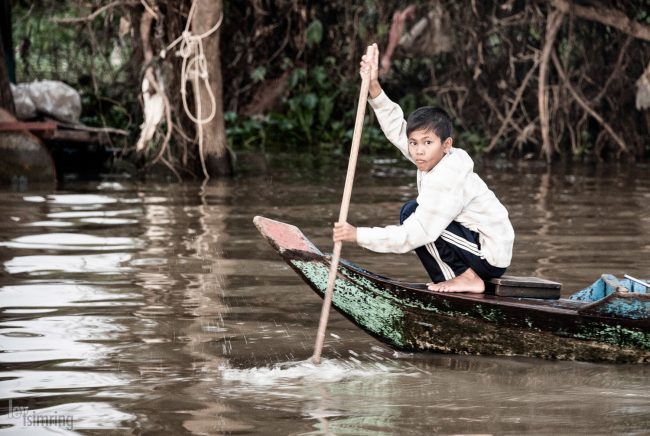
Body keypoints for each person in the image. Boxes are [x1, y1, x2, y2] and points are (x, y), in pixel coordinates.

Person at [333, 43, 515, 293]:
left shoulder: (447, 176)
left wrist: (358, 235)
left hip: (489, 253)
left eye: (427, 142)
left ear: (446, 145)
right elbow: (397, 129)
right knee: (411, 209)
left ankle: (466, 278)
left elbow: (416, 234)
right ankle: (458, 277)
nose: (418, 150)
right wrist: (373, 86)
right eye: (414, 143)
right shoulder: (432, 157)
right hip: (476, 244)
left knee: (413, 218)